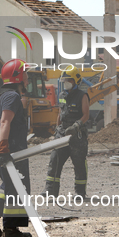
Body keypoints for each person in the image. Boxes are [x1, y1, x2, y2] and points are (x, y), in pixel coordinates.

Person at [0, 59, 32, 237]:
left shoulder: (6, 95)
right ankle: (9, 228)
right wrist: (4, 146)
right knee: (17, 185)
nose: (27, 78)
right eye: (25, 74)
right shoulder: (12, 96)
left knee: (12, 184)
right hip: (10, 148)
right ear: (18, 76)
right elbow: (4, 121)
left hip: (8, 147)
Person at [43, 66, 90, 198]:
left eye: (69, 80)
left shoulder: (82, 96)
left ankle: (80, 193)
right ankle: (50, 191)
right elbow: (60, 113)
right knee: (54, 160)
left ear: (76, 80)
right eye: (65, 80)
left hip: (77, 135)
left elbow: (86, 115)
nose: (66, 82)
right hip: (62, 133)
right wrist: (57, 129)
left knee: (79, 163)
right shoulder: (62, 95)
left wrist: (76, 126)